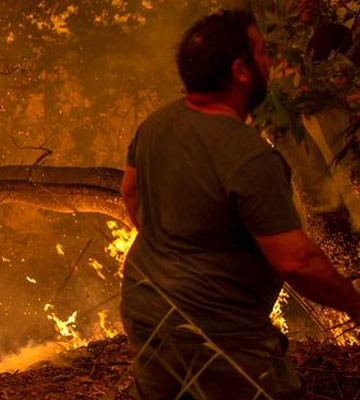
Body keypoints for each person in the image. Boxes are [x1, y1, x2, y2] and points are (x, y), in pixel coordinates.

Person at [119, 9, 360, 399]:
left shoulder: (157, 123)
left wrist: (171, 254)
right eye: (262, 53)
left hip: (144, 306)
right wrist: (353, 303)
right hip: (218, 329)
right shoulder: (251, 158)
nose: (269, 63)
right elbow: (297, 262)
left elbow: (130, 191)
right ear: (241, 71)